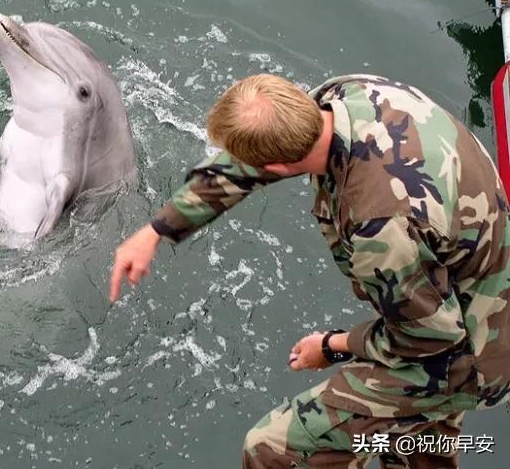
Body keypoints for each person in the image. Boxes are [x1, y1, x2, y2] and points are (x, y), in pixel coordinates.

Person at [108, 74, 510, 468]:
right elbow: (253, 157)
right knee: (411, 441)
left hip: (469, 355)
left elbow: (428, 339)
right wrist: (158, 228)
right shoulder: (344, 95)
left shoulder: (379, 225)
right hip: (469, 287)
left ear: (279, 167)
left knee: (274, 449)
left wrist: (333, 345)